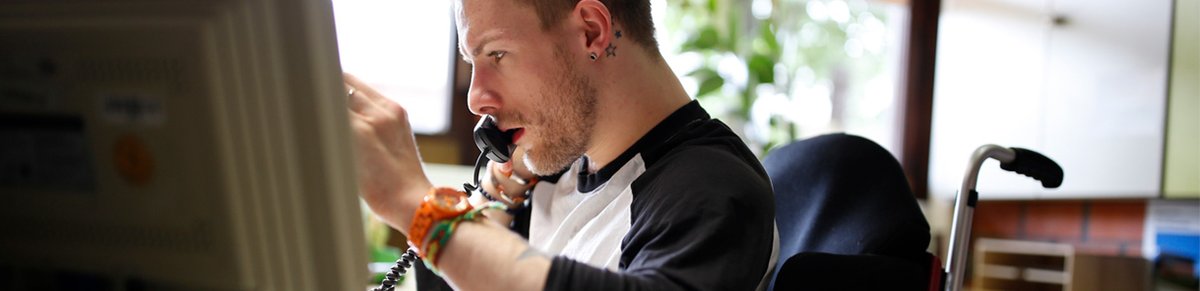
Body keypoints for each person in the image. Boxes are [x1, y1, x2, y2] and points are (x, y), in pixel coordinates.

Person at [345, 0, 777, 290]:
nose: (476, 97)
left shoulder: (710, 193)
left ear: (591, 31)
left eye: (496, 55)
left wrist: (415, 204)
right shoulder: (552, 164)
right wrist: (499, 193)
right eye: (471, 63)